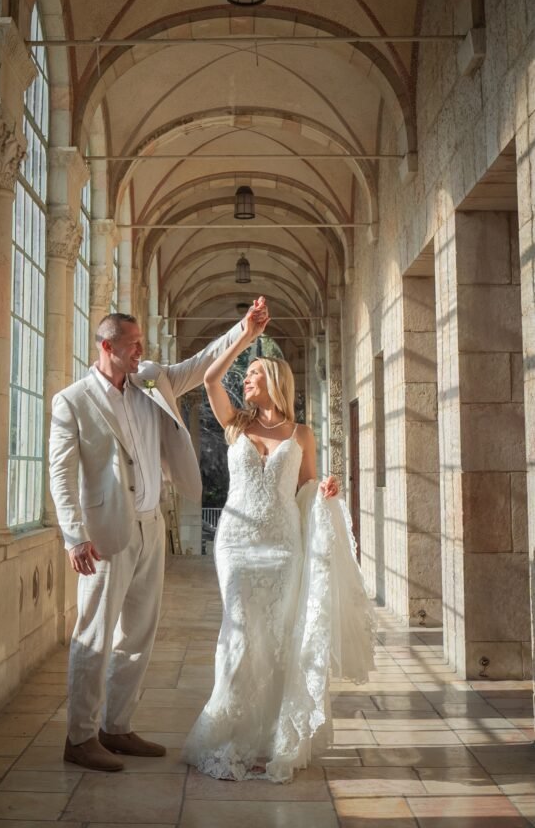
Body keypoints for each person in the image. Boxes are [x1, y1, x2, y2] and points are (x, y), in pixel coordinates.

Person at [48, 299, 269, 772]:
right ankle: (80, 737)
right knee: (94, 636)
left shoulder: (150, 379)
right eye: (133, 346)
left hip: (152, 525)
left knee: (138, 635)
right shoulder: (73, 401)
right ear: (106, 346)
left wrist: (244, 331)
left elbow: (200, 363)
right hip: (107, 534)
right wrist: (73, 537)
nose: (141, 352)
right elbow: (60, 475)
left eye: (143, 345)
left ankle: (117, 727)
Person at [182, 308, 375, 783]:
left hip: (284, 544)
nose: (245, 381)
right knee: (241, 634)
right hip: (238, 544)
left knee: (278, 639)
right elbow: (209, 380)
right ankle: (229, 729)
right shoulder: (236, 425)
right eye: (245, 374)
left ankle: (272, 738)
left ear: (274, 379)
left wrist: (326, 489)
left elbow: (305, 489)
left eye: (252, 373)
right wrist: (245, 336)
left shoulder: (302, 434)